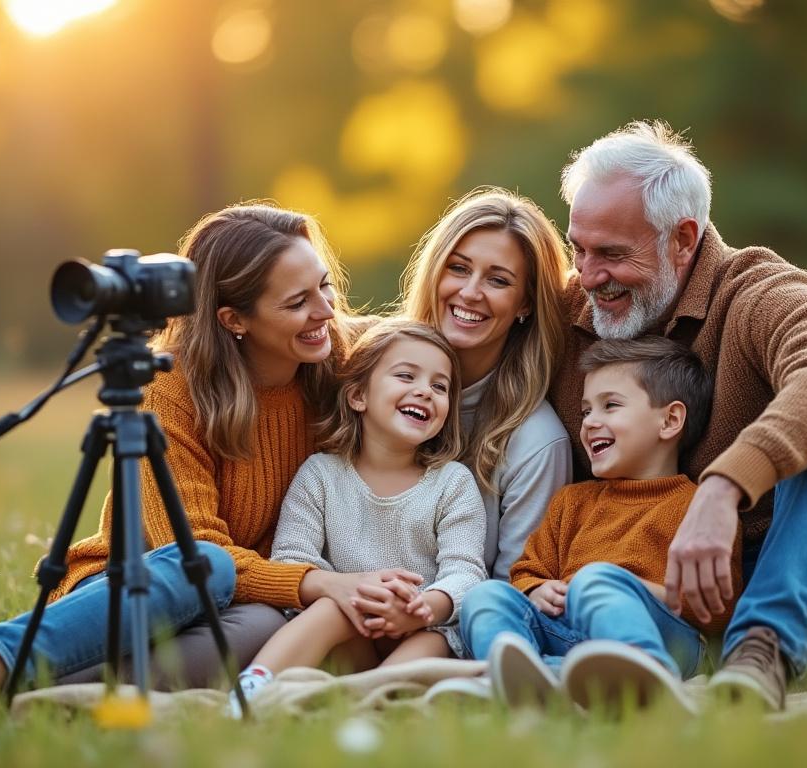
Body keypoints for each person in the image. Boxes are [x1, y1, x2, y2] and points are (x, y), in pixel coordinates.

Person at [0, 203, 422, 715]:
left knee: (263, 628)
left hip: (249, 602)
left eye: (324, 287)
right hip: (140, 586)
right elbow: (193, 552)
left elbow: (434, 352)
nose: (326, 312)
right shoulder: (174, 388)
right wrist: (319, 583)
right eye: (297, 302)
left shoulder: (345, 360)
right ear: (235, 318)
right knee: (211, 567)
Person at [549, 120, 807, 709]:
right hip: (646, 609)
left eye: (613, 255)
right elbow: (457, 333)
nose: (588, 275)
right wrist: (347, 333)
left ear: (683, 238)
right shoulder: (575, 306)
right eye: (579, 248)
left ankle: (763, 650)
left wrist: (724, 488)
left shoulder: (752, 289)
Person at [460, 337, 737, 712]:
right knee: (484, 596)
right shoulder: (572, 502)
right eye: (586, 410)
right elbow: (526, 570)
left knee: (595, 579)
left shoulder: (697, 508)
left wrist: (624, 586)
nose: (590, 423)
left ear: (670, 420)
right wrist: (535, 590)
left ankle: (648, 676)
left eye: (610, 406)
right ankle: (528, 680)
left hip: (669, 640)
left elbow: (719, 607)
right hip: (569, 634)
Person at [231, 319, 487, 709]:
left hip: (421, 629)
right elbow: (291, 560)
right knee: (333, 607)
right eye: (405, 375)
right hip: (349, 632)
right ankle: (251, 694)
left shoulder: (452, 483)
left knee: (438, 637)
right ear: (357, 396)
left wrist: (422, 609)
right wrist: (355, 590)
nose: (424, 391)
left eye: (440, 386)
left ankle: (365, 704)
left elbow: (467, 573)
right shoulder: (321, 474)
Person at [399, 188, 573, 586]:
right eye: (458, 268)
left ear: (525, 304)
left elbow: (510, 592)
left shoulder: (536, 442)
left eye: (498, 280)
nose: (470, 292)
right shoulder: (370, 383)